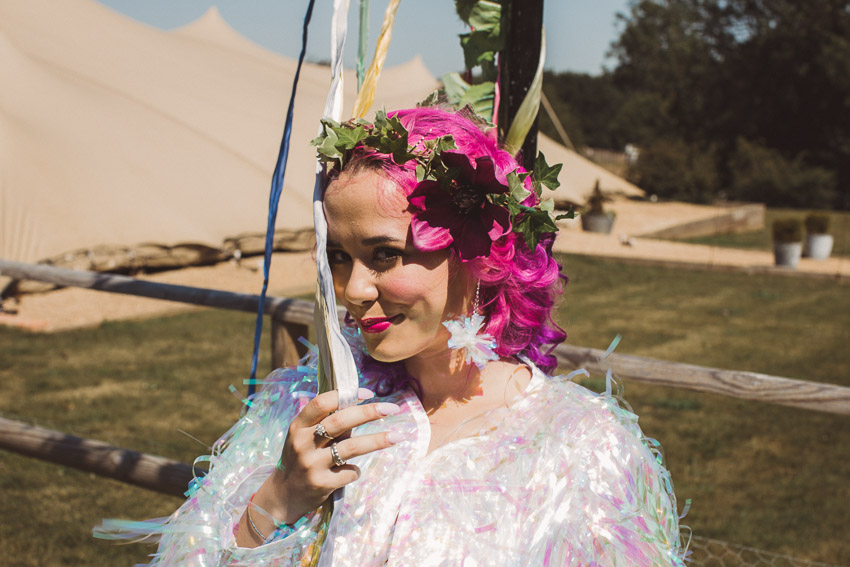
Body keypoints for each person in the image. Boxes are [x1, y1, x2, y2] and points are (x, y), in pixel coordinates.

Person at [100, 106, 685, 565]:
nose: (353, 289)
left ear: (477, 254)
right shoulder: (310, 403)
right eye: (338, 256)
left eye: (386, 254)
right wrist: (278, 498)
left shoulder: (578, 444)